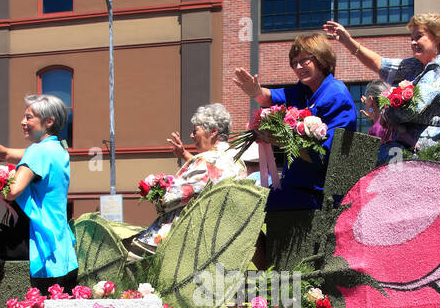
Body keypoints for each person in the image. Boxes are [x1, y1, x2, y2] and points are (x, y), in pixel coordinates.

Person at [0, 93, 79, 308]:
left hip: (34, 236)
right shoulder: (58, 150)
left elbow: (14, 191)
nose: (23, 122)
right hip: (58, 239)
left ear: (48, 122)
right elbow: (7, 153)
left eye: (29, 117)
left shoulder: (37, 151)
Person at [232, 33, 358, 214]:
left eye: (304, 61)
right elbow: (269, 98)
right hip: (296, 186)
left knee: (247, 205)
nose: (298, 67)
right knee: (242, 199)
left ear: (321, 58)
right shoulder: (303, 90)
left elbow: (323, 157)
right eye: (294, 63)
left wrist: (280, 140)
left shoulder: (336, 96)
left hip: (318, 193)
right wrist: (255, 91)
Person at [323, 13, 440, 160]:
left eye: (419, 36)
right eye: (411, 38)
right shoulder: (417, 65)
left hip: (423, 154)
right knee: (354, 159)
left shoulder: (439, 70)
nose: (413, 42)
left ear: (437, 37)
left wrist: (384, 113)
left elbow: (410, 110)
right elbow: (381, 65)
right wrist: (348, 41)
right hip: (404, 150)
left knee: (355, 160)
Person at [132, 103, 250, 254]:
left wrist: (154, 189)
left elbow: (170, 200)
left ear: (213, 132)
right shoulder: (238, 160)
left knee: (128, 250)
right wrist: (185, 155)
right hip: (225, 229)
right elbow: (208, 177)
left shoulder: (205, 160)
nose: (192, 136)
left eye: (196, 131)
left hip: (191, 235)